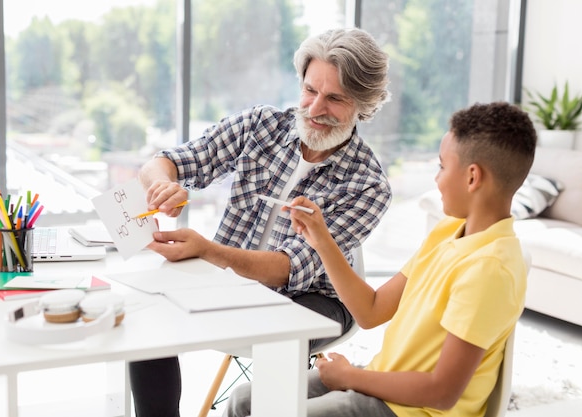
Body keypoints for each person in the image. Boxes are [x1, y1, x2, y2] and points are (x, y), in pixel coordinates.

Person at [130, 27, 393, 417]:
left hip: (315, 298)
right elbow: (163, 163)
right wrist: (163, 186)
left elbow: (289, 269)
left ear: (364, 106)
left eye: (335, 98)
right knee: (147, 314)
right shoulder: (262, 126)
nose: (315, 108)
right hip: (228, 280)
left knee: (283, 332)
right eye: (310, 90)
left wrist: (208, 250)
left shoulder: (368, 185)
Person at [223, 101, 537, 417]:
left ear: (472, 178)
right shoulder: (450, 231)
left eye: (442, 166)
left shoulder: (489, 270)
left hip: (413, 411)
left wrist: (349, 377)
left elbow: (441, 393)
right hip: (385, 384)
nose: (436, 179)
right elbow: (371, 311)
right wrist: (321, 239)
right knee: (245, 400)